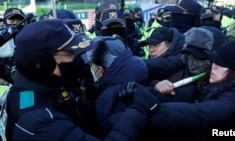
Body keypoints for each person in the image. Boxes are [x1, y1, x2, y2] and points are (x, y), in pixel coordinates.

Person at [4, 19, 159, 141]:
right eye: (71, 53)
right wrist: (138, 110)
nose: (78, 58)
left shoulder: (43, 86)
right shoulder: (41, 119)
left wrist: (115, 93)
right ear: (42, 63)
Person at [120, 40, 235, 140]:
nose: (214, 65)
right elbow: (179, 96)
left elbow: (200, 114)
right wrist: (140, 91)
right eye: (214, 61)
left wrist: (150, 108)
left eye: (221, 64)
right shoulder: (208, 84)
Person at [85, 35, 148, 138]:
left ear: (101, 69)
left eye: (92, 64)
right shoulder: (139, 76)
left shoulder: (107, 98)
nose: (91, 68)